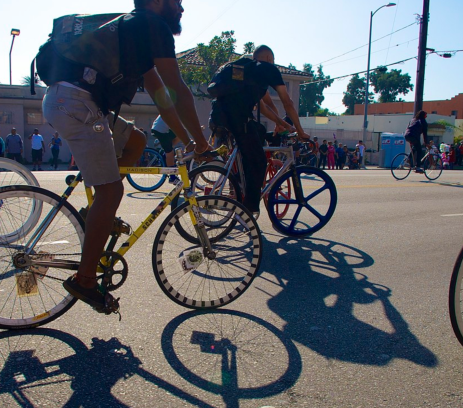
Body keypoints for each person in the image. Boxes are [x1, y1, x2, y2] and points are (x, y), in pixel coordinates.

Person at [42, 0, 211, 311]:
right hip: (76, 103)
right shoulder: (152, 26)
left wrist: (188, 141)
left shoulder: (135, 33)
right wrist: (202, 145)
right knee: (112, 191)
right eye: (177, 2)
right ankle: (85, 281)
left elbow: (164, 99)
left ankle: (95, 215)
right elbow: (178, 88)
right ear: (157, 2)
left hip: (73, 101)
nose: (182, 9)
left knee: (136, 140)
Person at [210, 45, 309, 217]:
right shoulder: (268, 69)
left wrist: (281, 123)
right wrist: (300, 131)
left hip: (219, 118)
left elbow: (263, 106)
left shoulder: (245, 71)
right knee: (259, 161)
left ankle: (239, 186)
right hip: (238, 120)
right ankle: (249, 207)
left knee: (260, 130)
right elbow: (288, 102)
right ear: (270, 59)